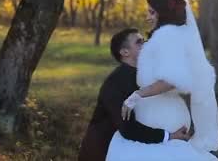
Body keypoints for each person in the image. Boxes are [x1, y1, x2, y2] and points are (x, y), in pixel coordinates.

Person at [106, 0, 218, 161]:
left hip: (162, 117)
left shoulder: (167, 36)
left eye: (152, 12)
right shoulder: (173, 35)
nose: (147, 17)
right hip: (166, 113)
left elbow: (172, 80)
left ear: (163, 12)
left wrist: (138, 94)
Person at [78, 28, 190, 161]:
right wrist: (169, 136)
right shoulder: (117, 82)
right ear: (125, 52)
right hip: (105, 150)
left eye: (144, 40)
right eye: (139, 42)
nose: (146, 44)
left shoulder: (144, 75)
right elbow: (128, 129)